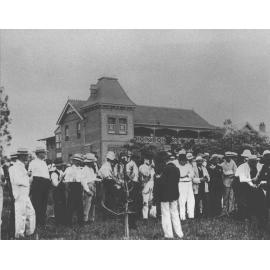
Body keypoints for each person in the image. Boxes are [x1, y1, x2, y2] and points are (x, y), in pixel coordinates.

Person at [9, 148, 35, 239]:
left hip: (24, 191)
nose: (28, 157)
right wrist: (27, 177)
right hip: (20, 191)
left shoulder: (22, 166)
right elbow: (17, 181)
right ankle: (19, 234)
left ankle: (29, 231)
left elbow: (25, 179)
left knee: (30, 211)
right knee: (21, 214)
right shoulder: (15, 167)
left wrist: (28, 177)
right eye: (26, 155)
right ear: (21, 156)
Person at [158, 151, 183, 239]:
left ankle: (169, 234)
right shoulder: (177, 169)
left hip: (165, 195)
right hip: (175, 194)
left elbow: (162, 183)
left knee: (165, 214)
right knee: (175, 213)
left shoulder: (164, 169)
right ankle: (179, 233)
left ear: (165, 160)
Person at [28, 147, 50, 226]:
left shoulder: (44, 163)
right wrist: (30, 186)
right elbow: (30, 175)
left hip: (45, 183)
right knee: (37, 203)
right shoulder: (33, 163)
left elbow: (46, 175)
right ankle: (36, 222)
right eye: (43, 153)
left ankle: (42, 221)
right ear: (39, 153)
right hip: (37, 183)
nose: (45, 154)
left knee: (44, 203)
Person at [235, 154, 258, 221]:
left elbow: (248, 177)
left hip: (244, 184)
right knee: (241, 200)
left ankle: (245, 216)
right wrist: (252, 181)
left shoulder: (248, 166)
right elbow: (242, 179)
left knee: (246, 199)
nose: (256, 164)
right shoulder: (243, 167)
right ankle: (241, 217)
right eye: (255, 162)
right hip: (238, 184)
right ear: (251, 161)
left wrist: (251, 185)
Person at [63, 154, 84, 225]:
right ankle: (68, 222)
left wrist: (82, 188)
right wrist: (67, 188)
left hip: (78, 186)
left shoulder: (80, 169)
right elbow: (66, 180)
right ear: (74, 161)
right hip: (72, 186)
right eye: (77, 161)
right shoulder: (69, 169)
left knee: (80, 205)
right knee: (70, 205)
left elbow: (82, 180)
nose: (78, 162)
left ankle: (80, 222)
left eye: (79, 161)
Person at [176, 150, 195, 221]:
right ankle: (182, 217)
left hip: (189, 184)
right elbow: (177, 176)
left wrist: (186, 176)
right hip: (180, 184)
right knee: (181, 200)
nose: (183, 162)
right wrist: (184, 176)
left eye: (184, 160)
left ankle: (191, 215)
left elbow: (192, 175)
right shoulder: (177, 166)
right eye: (182, 160)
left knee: (191, 200)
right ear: (179, 160)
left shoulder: (189, 165)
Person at [220, 151, 237, 217]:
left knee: (231, 196)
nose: (229, 158)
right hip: (225, 182)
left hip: (232, 182)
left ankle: (231, 210)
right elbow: (224, 173)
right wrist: (229, 173)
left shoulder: (233, 162)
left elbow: (235, 172)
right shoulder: (222, 164)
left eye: (230, 157)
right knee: (225, 197)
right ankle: (225, 210)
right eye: (227, 157)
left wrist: (232, 174)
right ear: (225, 157)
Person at [81, 153, 97, 223]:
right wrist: (87, 190)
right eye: (92, 162)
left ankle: (91, 218)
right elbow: (83, 181)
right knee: (87, 204)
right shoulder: (84, 169)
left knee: (93, 203)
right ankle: (85, 219)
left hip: (93, 186)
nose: (93, 163)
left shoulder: (91, 169)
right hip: (88, 186)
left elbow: (93, 178)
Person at [139, 155, 155, 221]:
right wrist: (150, 167)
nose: (149, 160)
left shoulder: (152, 167)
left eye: (150, 159)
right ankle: (145, 217)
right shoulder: (142, 167)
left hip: (152, 183)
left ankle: (152, 215)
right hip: (146, 184)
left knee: (152, 200)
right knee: (145, 201)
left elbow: (153, 175)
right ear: (145, 159)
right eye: (148, 159)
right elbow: (146, 174)